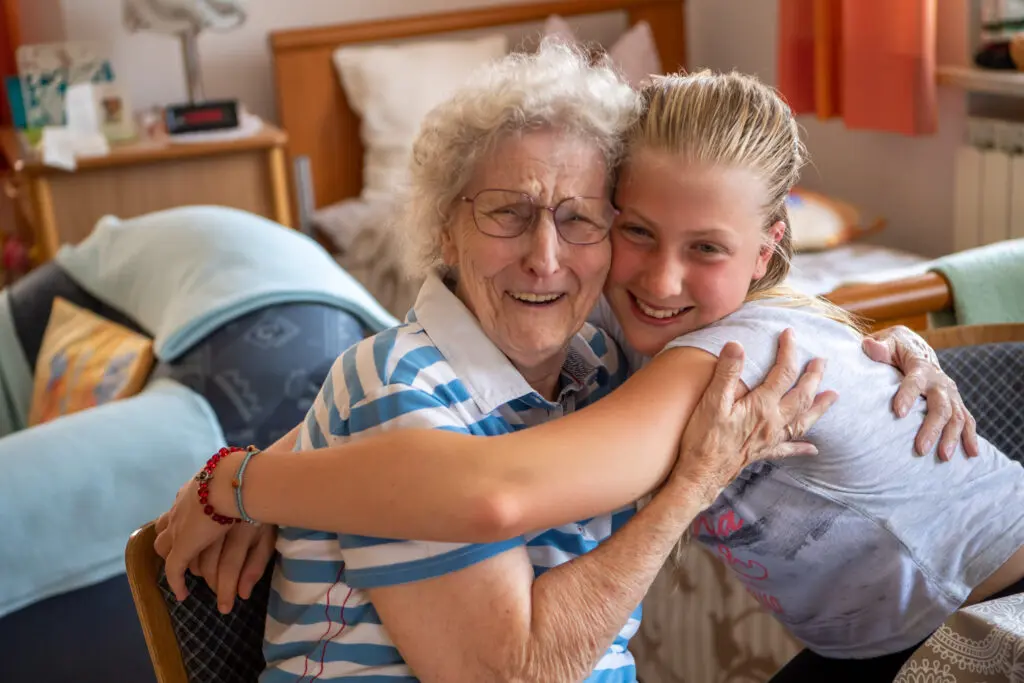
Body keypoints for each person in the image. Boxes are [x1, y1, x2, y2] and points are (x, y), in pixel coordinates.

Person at [156, 48, 979, 682]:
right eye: (508, 213)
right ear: (446, 228)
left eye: (582, 219)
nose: (546, 258)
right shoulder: (399, 386)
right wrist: (691, 483)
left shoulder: (602, 354)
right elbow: (512, 668)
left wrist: (901, 347)